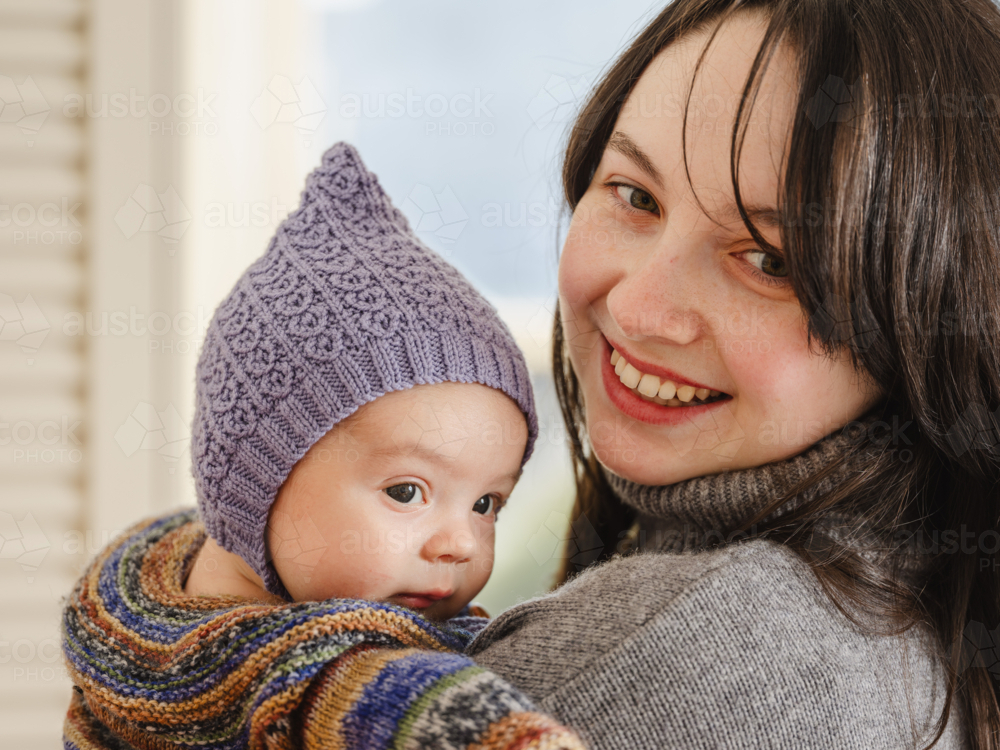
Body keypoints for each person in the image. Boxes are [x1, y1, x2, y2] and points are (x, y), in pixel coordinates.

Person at [467, 0, 1000, 747]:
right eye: (636, 195)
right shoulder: (925, 612)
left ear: (925, 315)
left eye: (768, 262)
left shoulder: (683, 656)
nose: (639, 306)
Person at [60, 143, 585, 749]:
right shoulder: (316, 672)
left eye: (487, 504)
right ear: (258, 483)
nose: (460, 544)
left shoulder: (138, 591)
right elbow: (428, 709)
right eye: (408, 491)